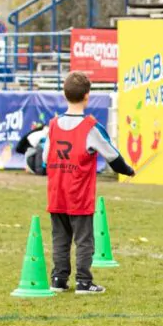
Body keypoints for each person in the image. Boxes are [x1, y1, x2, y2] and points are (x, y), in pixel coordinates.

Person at [44, 72, 135, 294]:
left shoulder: (53, 125)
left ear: (65, 95)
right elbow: (112, 156)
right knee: (84, 240)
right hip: (79, 196)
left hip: (57, 193)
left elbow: (47, 157)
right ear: (87, 96)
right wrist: (128, 171)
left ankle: (58, 279)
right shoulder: (90, 127)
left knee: (60, 239)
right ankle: (84, 282)